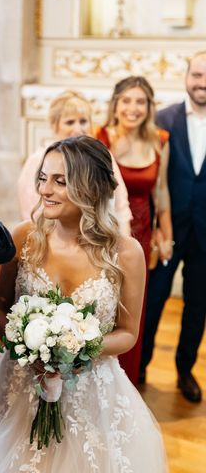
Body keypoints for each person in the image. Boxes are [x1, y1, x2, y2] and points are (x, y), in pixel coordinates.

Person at [0, 136, 166, 472]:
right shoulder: (24, 237)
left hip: (91, 393)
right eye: (43, 178)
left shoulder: (126, 253)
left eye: (60, 181)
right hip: (19, 385)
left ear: (90, 187)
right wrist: (28, 348)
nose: (45, 190)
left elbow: (127, 333)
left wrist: (76, 349)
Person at [96, 76, 172, 385]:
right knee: (108, 308)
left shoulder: (159, 140)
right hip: (108, 236)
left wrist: (165, 235)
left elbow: (162, 193)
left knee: (135, 310)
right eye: (126, 100)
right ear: (115, 104)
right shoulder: (102, 138)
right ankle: (102, 381)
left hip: (142, 238)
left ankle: (129, 381)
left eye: (140, 101)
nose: (133, 108)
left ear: (149, 107)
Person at [142, 51, 206, 403]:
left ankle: (185, 370)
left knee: (198, 306)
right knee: (153, 303)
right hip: (167, 231)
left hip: (205, 234)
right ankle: (140, 370)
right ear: (186, 76)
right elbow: (155, 181)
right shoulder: (162, 120)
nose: (203, 83)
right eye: (197, 75)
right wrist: (154, 228)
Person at [17, 90, 131, 235]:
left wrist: (122, 247)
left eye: (83, 121)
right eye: (70, 122)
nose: (78, 129)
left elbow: (120, 208)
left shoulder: (102, 156)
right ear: (54, 125)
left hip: (101, 242)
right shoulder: (37, 161)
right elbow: (32, 217)